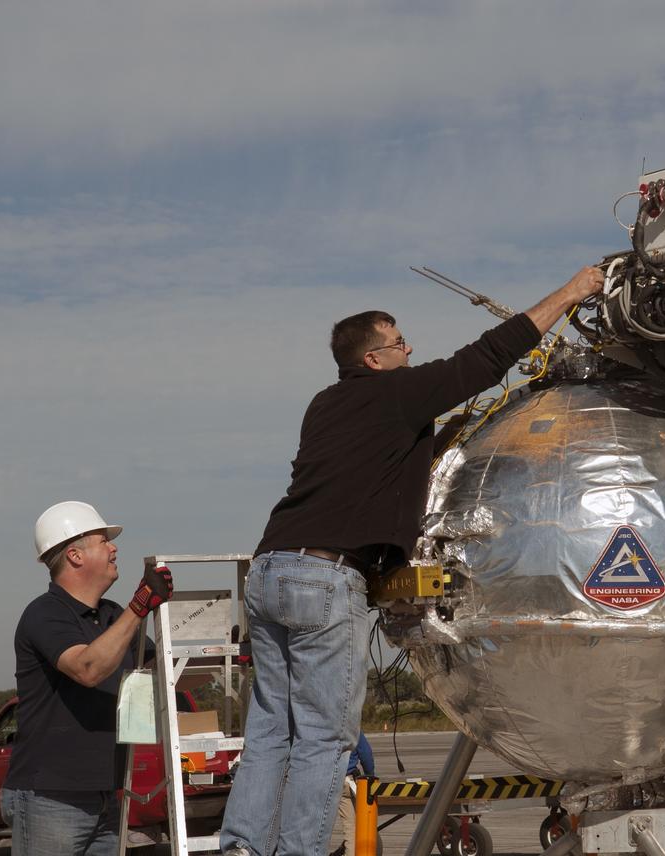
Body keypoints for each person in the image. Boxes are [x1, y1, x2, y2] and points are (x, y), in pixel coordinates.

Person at [220, 266, 605, 856]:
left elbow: (375, 462)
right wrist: (575, 291)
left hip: (270, 567)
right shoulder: (397, 394)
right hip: (325, 577)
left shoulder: (326, 404)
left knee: (272, 730)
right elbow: (490, 354)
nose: (411, 350)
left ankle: (241, 847)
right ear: (374, 359)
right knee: (326, 738)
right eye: (400, 343)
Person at [1, 500, 174, 855]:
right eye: (103, 541)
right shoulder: (44, 614)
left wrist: (234, 655)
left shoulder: (113, 617)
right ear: (75, 556)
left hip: (105, 794)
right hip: (50, 797)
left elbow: (170, 677)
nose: (114, 548)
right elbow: (88, 668)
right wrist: (140, 605)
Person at [330, 734, 377, 856]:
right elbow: (366, 754)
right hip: (347, 780)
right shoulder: (353, 727)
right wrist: (370, 776)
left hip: (326, 780)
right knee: (354, 829)